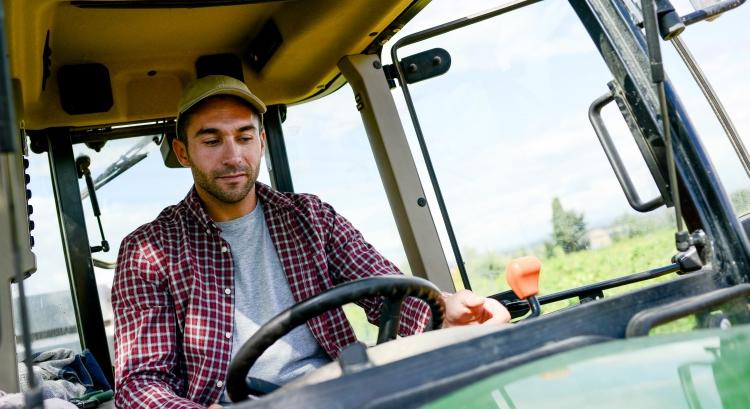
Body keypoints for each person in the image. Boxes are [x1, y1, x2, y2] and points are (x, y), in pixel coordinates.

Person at [112, 75, 510, 408]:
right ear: (183, 152)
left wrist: (446, 310)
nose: (233, 156)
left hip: (343, 393)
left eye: (244, 137)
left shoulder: (310, 217)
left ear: (261, 141)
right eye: (212, 141)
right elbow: (141, 383)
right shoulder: (149, 250)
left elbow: (385, 288)